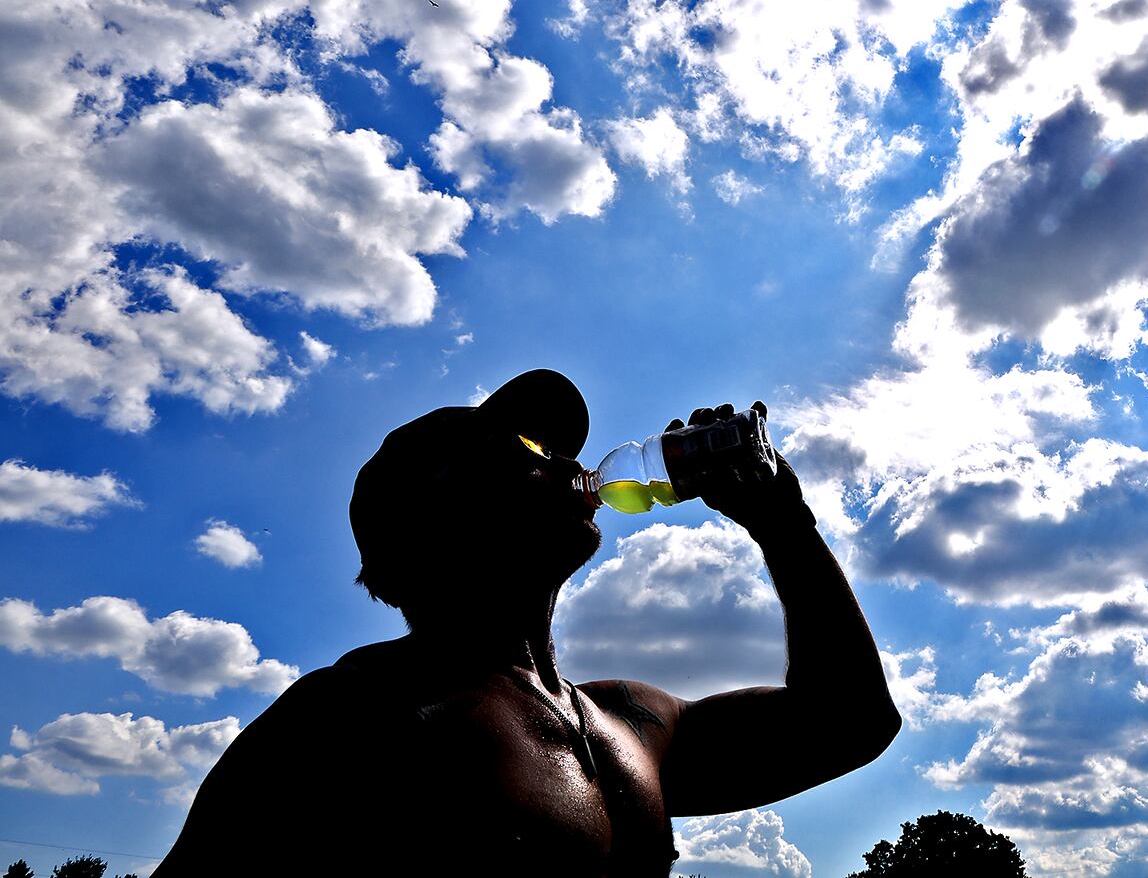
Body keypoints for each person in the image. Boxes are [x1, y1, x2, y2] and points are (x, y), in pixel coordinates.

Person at [154, 369, 901, 874]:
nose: (567, 460)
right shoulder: (350, 721)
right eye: (528, 448)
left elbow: (851, 721)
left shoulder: (629, 722)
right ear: (431, 510)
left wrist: (784, 520)